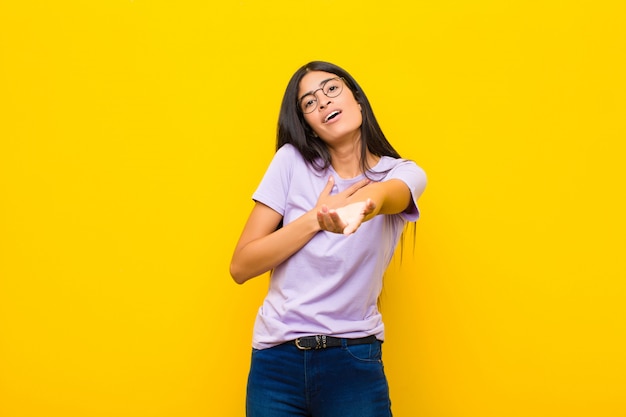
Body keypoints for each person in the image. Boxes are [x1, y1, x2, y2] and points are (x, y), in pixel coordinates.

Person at [230, 61, 427, 417]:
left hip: (353, 362)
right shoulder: (290, 163)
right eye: (308, 102)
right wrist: (315, 221)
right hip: (276, 362)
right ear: (308, 125)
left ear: (358, 100)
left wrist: (363, 207)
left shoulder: (401, 173)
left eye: (331, 89)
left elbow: (388, 196)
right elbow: (241, 266)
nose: (322, 101)